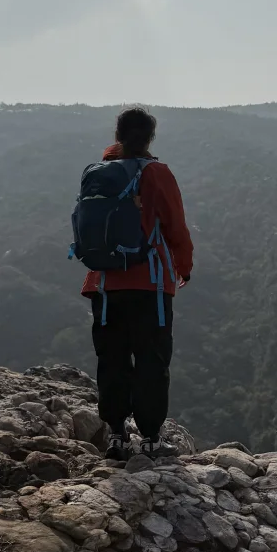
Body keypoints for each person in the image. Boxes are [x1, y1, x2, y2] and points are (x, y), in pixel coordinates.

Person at [81, 106, 193, 460]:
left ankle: (116, 436)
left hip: (103, 283)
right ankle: (151, 439)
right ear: (150, 138)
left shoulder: (98, 172)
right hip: (150, 284)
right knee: (151, 360)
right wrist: (184, 267)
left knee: (111, 358)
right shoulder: (157, 173)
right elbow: (175, 226)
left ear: (117, 135)